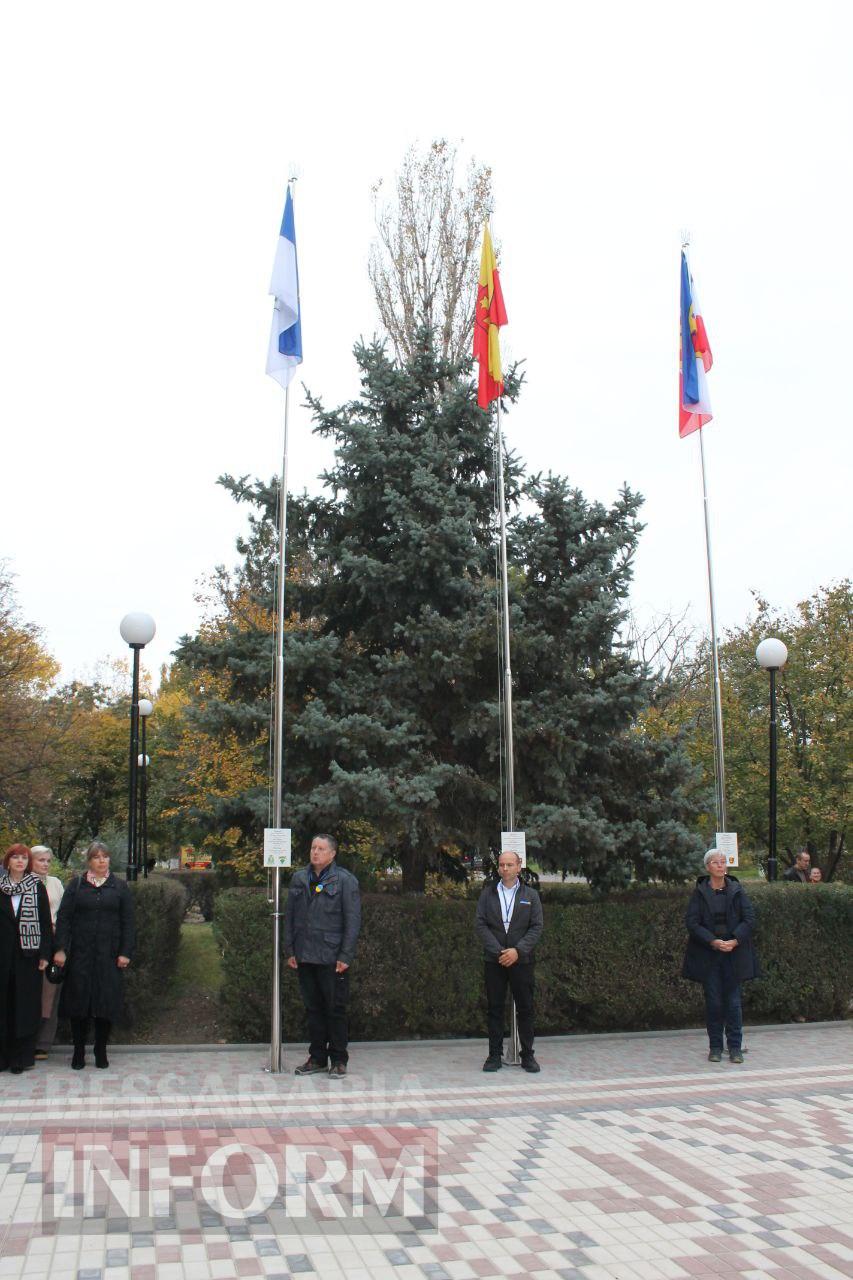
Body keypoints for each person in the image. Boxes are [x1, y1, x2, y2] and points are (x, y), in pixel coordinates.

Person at [284, 834, 361, 1079]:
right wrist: (290, 950)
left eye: (320, 848)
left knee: (335, 1008)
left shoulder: (345, 881)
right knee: (313, 1008)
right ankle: (317, 1057)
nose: (315, 852)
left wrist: (345, 954)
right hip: (305, 954)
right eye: (313, 847)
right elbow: (291, 917)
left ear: (332, 853)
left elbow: (352, 921)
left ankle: (339, 1058)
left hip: (331, 956)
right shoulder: (299, 878)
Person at [53, 841, 134, 1070]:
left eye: (105, 857)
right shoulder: (76, 885)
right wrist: (60, 949)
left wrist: (125, 952)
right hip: (80, 955)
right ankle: (78, 1050)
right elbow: (64, 919)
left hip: (108, 956)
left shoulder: (119, 887)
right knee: (79, 1003)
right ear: (89, 861)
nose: (102, 860)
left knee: (105, 1002)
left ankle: (101, 1049)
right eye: (97, 857)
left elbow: (128, 922)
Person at [682, 849, 759, 1064]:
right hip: (709, 955)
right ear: (708, 867)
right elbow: (692, 922)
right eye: (716, 862)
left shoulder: (736, 889)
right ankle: (715, 1047)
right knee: (714, 1003)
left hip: (733, 954)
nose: (721, 866)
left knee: (733, 1003)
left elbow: (749, 919)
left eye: (723, 862)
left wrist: (734, 940)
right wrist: (712, 941)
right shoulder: (699, 892)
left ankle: (735, 1047)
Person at [475, 850, 544, 1074]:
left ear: (519, 866)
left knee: (525, 1008)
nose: (505, 869)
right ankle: (494, 1056)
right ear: (498, 868)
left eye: (510, 864)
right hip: (494, 961)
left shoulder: (530, 895)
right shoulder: (488, 893)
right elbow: (481, 925)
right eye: (502, 865)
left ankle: (528, 1056)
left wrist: (517, 951)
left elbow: (536, 927)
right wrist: (499, 952)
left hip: (521, 961)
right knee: (495, 1008)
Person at [0, 845, 52, 1073]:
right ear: (7, 862)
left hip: (28, 956)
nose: (20, 861)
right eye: (15, 857)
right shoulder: (0, 887)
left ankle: (21, 1058)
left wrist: (44, 954)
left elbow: (45, 924)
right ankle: (3, 1057)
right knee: (4, 1005)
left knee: (25, 1006)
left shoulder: (36, 887)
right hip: (3, 956)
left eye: (24, 858)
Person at [30, 846, 64, 1060]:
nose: (45, 864)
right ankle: (26, 1039)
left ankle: (43, 1042)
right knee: (29, 993)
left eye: (48, 860)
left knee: (51, 990)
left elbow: (64, 912)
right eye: (40, 860)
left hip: (52, 942)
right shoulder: (23, 883)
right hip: (29, 943)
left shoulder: (55, 883)